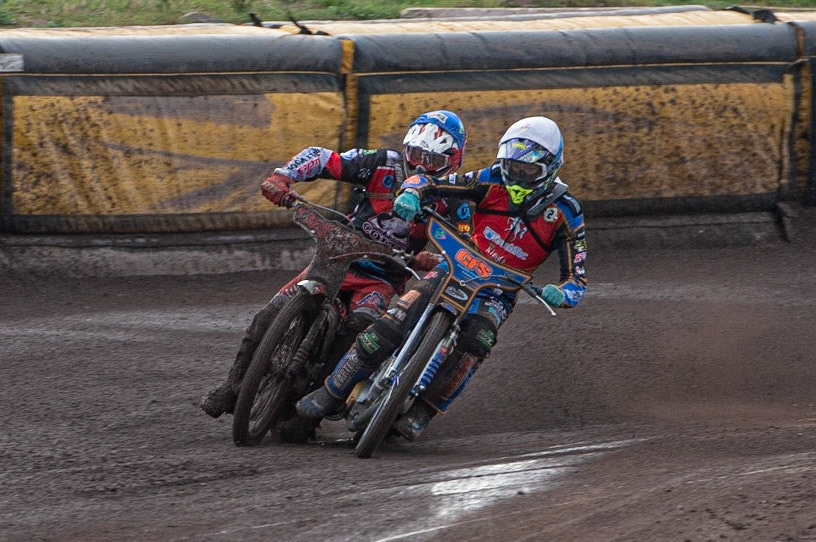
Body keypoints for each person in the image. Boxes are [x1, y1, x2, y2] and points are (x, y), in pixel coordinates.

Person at [295, 116, 587, 441]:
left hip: (497, 292)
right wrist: (411, 193)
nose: (515, 177)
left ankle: (425, 410)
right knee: (393, 322)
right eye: (511, 167)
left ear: (551, 169)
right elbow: (428, 182)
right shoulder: (489, 179)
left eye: (527, 171)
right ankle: (331, 392)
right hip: (453, 268)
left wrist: (562, 293)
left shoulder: (567, 212)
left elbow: (578, 278)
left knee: (478, 340)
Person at [199, 110, 468, 422]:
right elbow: (322, 157)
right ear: (407, 148)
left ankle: (317, 404)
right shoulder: (381, 162)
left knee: (360, 328)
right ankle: (232, 388)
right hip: (338, 255)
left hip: (382, 278)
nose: (421, 165)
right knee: (268, 314)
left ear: (453, 160)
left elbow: (466, 245)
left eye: (432, 161)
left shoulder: (453, 195)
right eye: (418, 155)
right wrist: (282, 177)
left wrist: (436, 260)